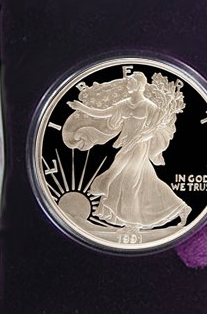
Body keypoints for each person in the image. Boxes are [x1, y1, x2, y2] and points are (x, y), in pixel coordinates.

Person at [64, 72, 191, 229]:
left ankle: (131, 220)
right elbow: (103, 114)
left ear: (138, 85)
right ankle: (181, 208)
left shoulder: (149, 107)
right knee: (146, 181)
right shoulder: (124, 104)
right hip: (127, 146)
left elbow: (155, 129)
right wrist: (81, 107)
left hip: (139, 147)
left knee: (129, 180)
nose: (127, 84)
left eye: (130, 82)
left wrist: (144, 136)